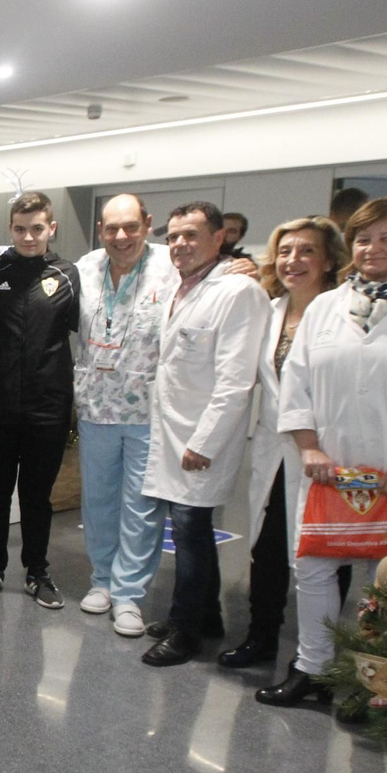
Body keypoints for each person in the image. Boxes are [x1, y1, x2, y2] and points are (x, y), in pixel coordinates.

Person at [264, 197, 387, 705]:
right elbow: (297, 382)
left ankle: (374, 682)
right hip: (328, 467)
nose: (373, 249)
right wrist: (307, 446)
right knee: (313, 568)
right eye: (364, 239)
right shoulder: (328, 305)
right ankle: (314, 667)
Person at [140, 202, 270, 666]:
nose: (180, 244)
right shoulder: (180, 288)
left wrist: (205, 441)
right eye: (173, 236)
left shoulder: (238, 292)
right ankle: (204, 615)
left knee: (192, 530)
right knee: (190, 528)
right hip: (175, 428)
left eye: (191, 235)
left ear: (220, 239)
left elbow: (237, 380)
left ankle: (186, 631)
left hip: (201, 437)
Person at [218, 218, 348, 671]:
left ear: (330, 260)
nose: (294, 261)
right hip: (274, 451)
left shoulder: (344, 312)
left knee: (328, 554)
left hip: (325, 454)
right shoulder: (269, 310)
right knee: (266, 548)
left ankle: (321, 659)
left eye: (307, 251)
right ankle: (261, 637)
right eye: (286, 251)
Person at [72, 194, 178, 639]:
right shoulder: (85, 268)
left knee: (141, 505)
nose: (121, 237)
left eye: (130, 226)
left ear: (147, 224)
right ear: (101, 230)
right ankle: (102, 580)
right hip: (96, 405)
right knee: (98, 500)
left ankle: (129, 592)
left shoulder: (171, 267)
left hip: (147, 409)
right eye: (112, 228)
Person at [0, 193, 80, 609]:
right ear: (10, 230)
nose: (28, 236)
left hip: (48, 408)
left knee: (37, 495)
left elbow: (78, 329)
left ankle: (37, 571)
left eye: (37, 228)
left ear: (51, 229)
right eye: (20, 228)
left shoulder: (68, 275)